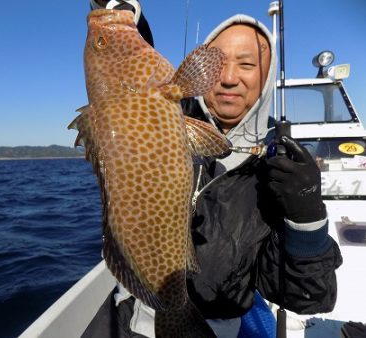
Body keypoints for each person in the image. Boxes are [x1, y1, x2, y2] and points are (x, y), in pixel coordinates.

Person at [83, 1, 343, 337]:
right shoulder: (172, 108)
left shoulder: (279, 168)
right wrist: (116, 9)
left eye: (247, 64)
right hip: (131, 314)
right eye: (217, 63)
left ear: (266, 75)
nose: (230, 78)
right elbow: (130, 53)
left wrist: (306, 219)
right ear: (200, 69)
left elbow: (310, 299)